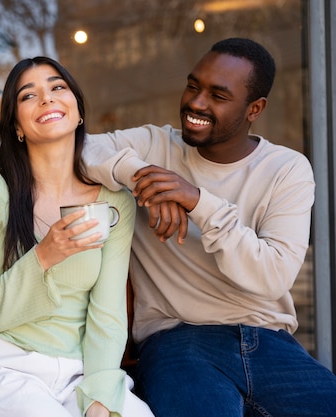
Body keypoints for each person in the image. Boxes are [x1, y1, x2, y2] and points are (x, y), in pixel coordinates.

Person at [82, 37, 336, 417]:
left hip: (270, 342)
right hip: (178, 341)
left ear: (255, 108)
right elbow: (74, 148)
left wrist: (198, 201)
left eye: (218, 95)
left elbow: (273, 276)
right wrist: (146, 176)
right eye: (193, 86)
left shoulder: (287, 169)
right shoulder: (155, 146)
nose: (196, 103)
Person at [0, 56, 154, 417]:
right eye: (28, 96)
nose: (46, 98)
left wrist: (100, 399)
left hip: (82, 373)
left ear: (77, 111)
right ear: (17, 126)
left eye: (57, 87)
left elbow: (108, 315)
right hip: (4, 367)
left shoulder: (114, 202)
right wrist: (43, 256)